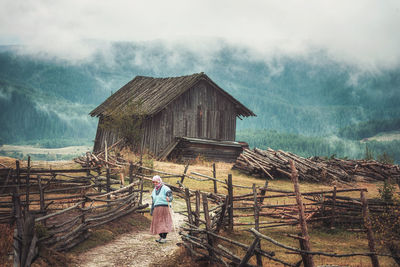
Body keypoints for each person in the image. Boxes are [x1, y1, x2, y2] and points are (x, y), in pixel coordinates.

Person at [150, 175, 173, 243]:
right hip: (157, 208)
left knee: (163, 222)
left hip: (164, 207)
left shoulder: (165, 188)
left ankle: (164, 237)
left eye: (156, 182)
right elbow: (153, 201)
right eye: (153, 182)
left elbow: (170, 196)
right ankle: (161, 236)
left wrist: (169, 198)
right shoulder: (154, 190)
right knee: (157, 223)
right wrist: (152, 209)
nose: (155, 183)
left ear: (159, 181)